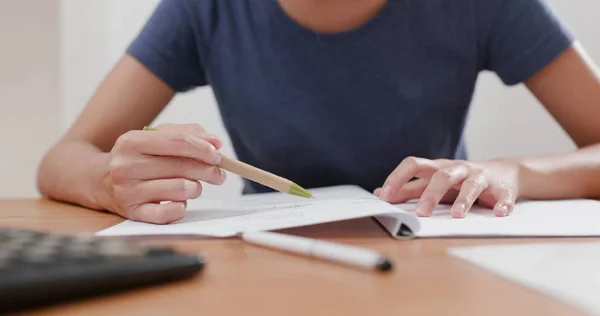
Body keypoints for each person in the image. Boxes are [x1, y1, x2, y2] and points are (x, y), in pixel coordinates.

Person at [37, 0, 600, 224]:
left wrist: (513, 173)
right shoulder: (206, 7)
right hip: (264, 269)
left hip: (438, 257)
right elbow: (62, 159)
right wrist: (109, 182)